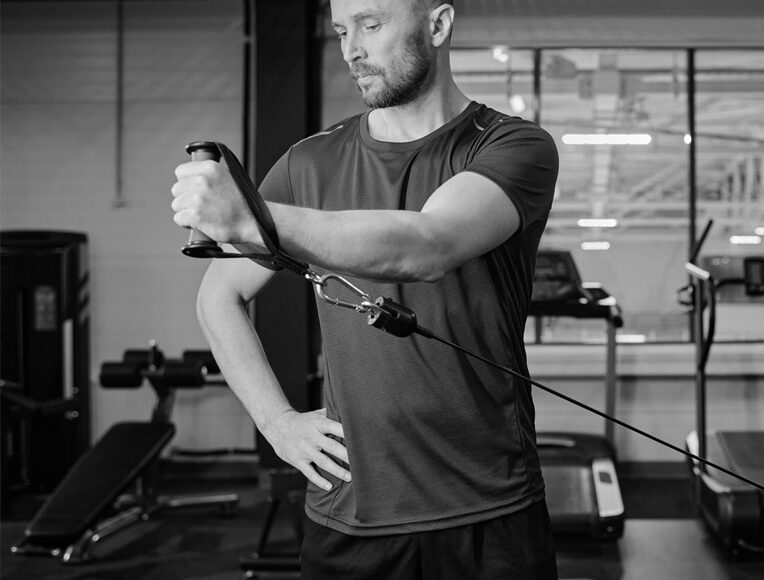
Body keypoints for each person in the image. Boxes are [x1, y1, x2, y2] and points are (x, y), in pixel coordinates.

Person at [169, 0, 559, 577]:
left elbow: (427, 245)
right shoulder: (309, 164)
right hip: (350, 510)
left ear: (439, 24)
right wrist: (276, 423)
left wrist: (251, 220)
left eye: (372, 25)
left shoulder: (510, 146)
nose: (352, 49)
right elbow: (218, 297)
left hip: (489, 504)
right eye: (342, 30)